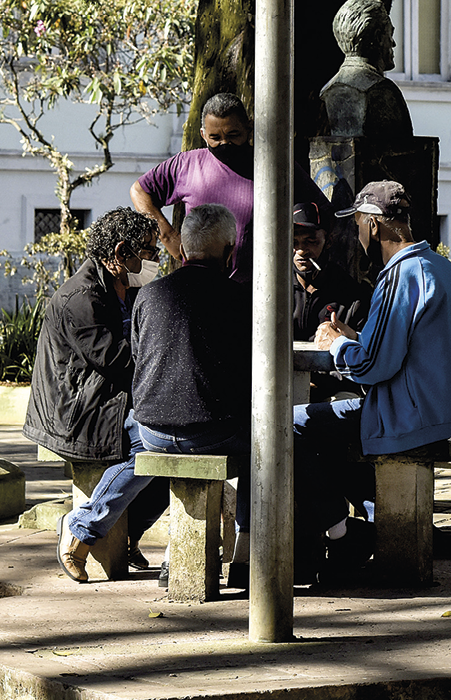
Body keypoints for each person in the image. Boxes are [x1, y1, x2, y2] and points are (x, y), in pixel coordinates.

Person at [293, 180, 451, 575]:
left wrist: (336, 344)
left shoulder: (399, 275)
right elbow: (403, 347)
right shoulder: (437, 265)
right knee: (331, 427)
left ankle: (342, 533)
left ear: (375, 225)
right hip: (445, 408)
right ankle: (364, 522)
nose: (357, 231)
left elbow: (373, 367)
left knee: (292, 425)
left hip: (412, 414)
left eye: (360, 222)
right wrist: (359, 339)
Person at [25, 207, 164, 583]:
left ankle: (127, 532)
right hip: (78, 410)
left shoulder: (128, 287)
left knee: (185, 449)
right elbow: (120, 362)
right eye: (150, 252)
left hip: (110, 399)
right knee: (158, 445)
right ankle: (80, 527)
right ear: (121, 253)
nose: (155, 260)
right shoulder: (82, 299)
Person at [130, 203, 253, 588]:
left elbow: (140, 358)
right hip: (210, 432)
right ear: (230, 251)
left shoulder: (148, 295)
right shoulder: (240, 299)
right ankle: (247, 554)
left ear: (182, 250)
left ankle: (171, 554)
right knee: (267, 448)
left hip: (151, 430)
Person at [129, 92, 332, 282]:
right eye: (215, 138)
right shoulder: (187, 164)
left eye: (233, 135)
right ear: (203, 134)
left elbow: (320, 211)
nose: (225, 143)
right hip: (200, 287)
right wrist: (169, 237)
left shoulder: (275, 166)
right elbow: (140, 191)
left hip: (257, 293)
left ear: (248, 129)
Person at [319, 0, 414, 143]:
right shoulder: (382, 91)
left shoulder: (328, 89)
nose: (393, 43)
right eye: (390, 35)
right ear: (377, 38)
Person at [291, 200, 369, 342]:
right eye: (294, 242)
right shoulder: (276, 288)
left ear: (328, 241)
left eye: (310, 241)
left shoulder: (350, 295)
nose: (301, 251)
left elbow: (363, 349)